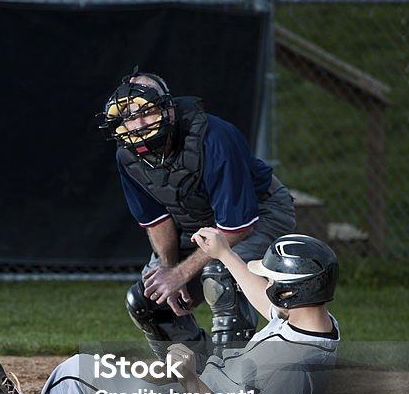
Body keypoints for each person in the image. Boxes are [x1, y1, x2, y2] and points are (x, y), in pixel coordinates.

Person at [0, 231, 340, 394]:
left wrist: (191, 380)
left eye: (271, 278)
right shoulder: (313, 321)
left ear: (291, 291)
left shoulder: (295, 365)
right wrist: (225, 253)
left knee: (79, 372)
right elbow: (267, 301)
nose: (265, 281)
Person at [98, 70, 297, 363]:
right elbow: (158, 220)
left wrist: (181, 273)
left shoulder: (214, 137)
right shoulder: (127, 155)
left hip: (260, 211)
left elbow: (236, 227)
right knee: (148, 298)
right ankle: (195, 372)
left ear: (169, 110)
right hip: (194, 223)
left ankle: (232, 375)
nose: (137, 124)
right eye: (128, 117)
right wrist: (169, 271)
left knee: (220, 276)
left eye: (146, 112)